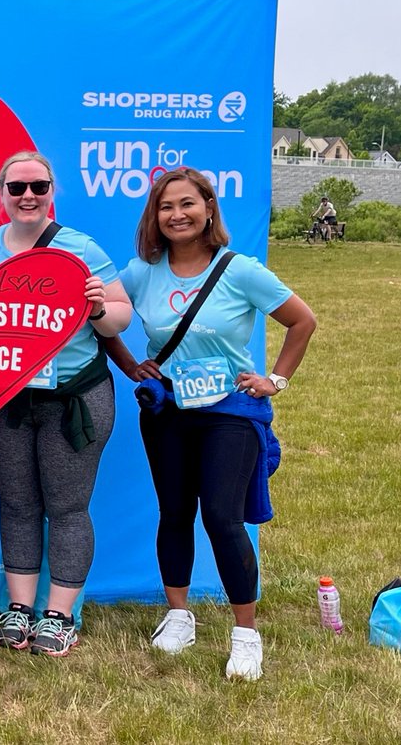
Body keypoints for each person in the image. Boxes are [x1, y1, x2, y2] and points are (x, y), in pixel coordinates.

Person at [107, 167, 316, 681]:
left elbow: (302, 320)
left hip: (228, 412)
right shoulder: (141, 271)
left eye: (187, 204)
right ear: (154, 217)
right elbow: (102, 316)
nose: (176, 215)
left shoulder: (240, 269)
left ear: (208, 209)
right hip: (169, 412)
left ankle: (246, 635)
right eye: (165, 207)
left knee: (223, 517)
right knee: (174, 513)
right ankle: (179, 616)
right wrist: (131, 363)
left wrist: (276, 380)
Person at [0, 151, 131, 657]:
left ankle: (59, 616)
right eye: (16, 187)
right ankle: (18, 610)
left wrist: (98, 306)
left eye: (37, 186)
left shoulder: (79, 248)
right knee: (17, 504)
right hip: (6, 400)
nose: (27, 196)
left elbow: (120, 319)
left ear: (51, 191)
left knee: (67, 507)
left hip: (74, 397)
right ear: (0, 194)